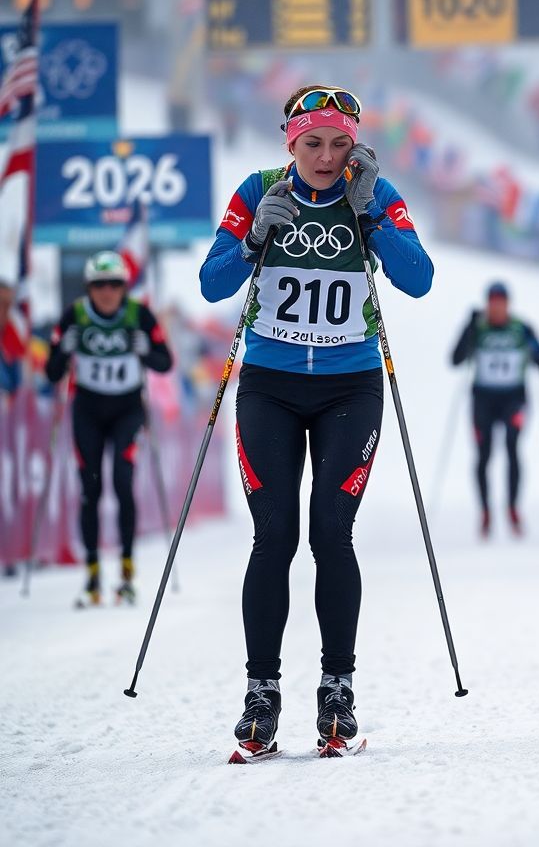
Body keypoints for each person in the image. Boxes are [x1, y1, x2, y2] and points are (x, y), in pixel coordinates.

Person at [200, 85, 433, 755]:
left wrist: (378, 223)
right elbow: (211, 284)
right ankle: (261, 696)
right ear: (289, 142)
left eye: (339, 143)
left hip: (349, 389)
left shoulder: (373, 192)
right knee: (274, 534)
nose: (327, 157)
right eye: (312, 143)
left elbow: (419, 280)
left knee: (333, 532)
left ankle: (338, 691)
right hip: (269, 387)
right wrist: (252, 241)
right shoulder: (258, 188)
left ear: (355, 141)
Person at [45, 251, 173, 606]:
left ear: (124, 286)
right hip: (88, 409)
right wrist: (63, 351)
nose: (106, 292)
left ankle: (127, 573)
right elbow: (52, 373)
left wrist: (146, 350)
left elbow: (165, 363)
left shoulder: (138, 314)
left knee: (121, 480)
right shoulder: (75, 315)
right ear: (89, 288)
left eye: (114, 284)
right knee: (90, 488)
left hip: (127, 410)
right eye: (99, 285)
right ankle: (92, 575)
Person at [451, 282, 539, 537]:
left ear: (508, 304)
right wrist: (468, 329)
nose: (496, 308)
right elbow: (455, 359)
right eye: (492, 303)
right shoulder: (478, 327)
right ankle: (485, 511)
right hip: (483, 399)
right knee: (484, 455)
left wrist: (536, 355)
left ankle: (512, 508)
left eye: (501, 303)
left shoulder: (521, 328)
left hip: (513, 399)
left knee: (512, 447)